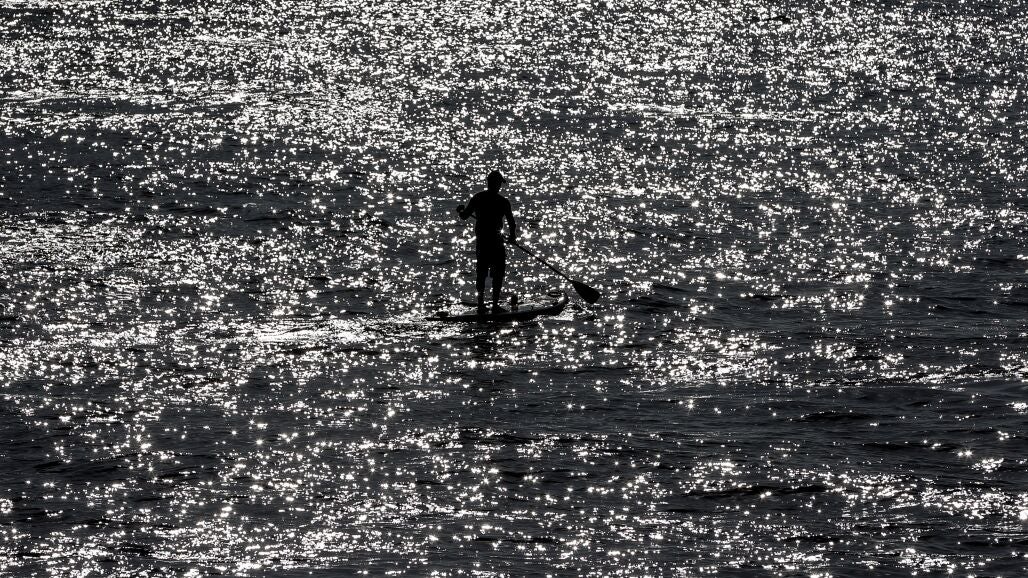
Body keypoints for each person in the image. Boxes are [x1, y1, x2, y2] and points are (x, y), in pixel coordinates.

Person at [457, 170, 517, 313]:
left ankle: (481, 305)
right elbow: (511, 222)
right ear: (496, 184)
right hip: (496, 244)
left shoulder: (477, 198)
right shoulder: (503, 202)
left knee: (482, 274)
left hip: (483, 243)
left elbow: (464, 216)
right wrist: (512, 237)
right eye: (499, 184)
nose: (500, 186)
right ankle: (494, 305)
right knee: (497, 274)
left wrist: (460, 211)